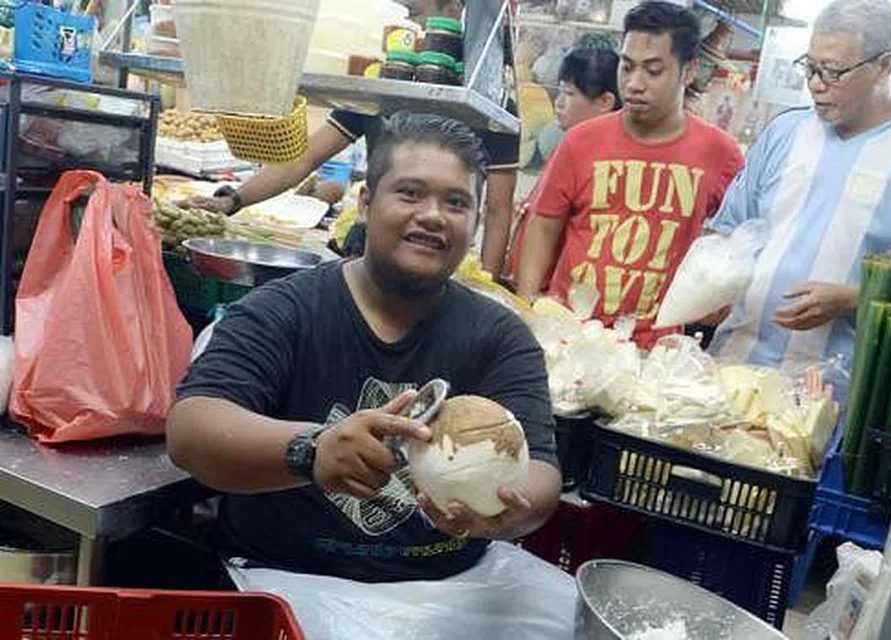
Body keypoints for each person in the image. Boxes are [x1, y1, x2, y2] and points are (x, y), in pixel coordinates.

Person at [167, 113, 561, 594]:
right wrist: (311, 451)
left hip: (446, 597)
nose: (433, 215)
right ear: (367, 203)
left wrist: (502, 515)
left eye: (456, 202)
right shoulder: (286, 310)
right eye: (410, 193)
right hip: (286, 586)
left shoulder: (500, 335)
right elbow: (191, 428)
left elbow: (541, 470)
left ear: (475, 223)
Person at [703, 0, 891, 388]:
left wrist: (854, 297)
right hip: (732, 369)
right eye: (810, 67)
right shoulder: (782, 134)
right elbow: (729, 232)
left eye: (834, 71)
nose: (816, 84)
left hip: (831, 395)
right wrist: (710, 283)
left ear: (884, 66)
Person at [186, 0, 520, 276]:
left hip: (438, 258)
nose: (406, 29)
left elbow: (497, 210)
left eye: (415, 16)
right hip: (371, 252)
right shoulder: (391, 77)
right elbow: (306, 157)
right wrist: (234, 200)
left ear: (454, 10)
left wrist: (484, 287)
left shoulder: (488, 96)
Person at [516, 1, 744, 348]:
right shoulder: (581, 141)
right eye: (627, 67)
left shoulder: (721, 153)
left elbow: (736, 239)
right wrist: (530, 305)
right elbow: (544, 224)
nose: (634, 84)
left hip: (655, 353)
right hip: (568, 339)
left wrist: (725, 294)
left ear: (688, 71)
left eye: (653, 71)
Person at [504, 45, 622, 282]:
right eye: (559, 92)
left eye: (569, 94)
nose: (558, 103)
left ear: (605, 101)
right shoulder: (568, 148)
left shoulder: (604, 163)